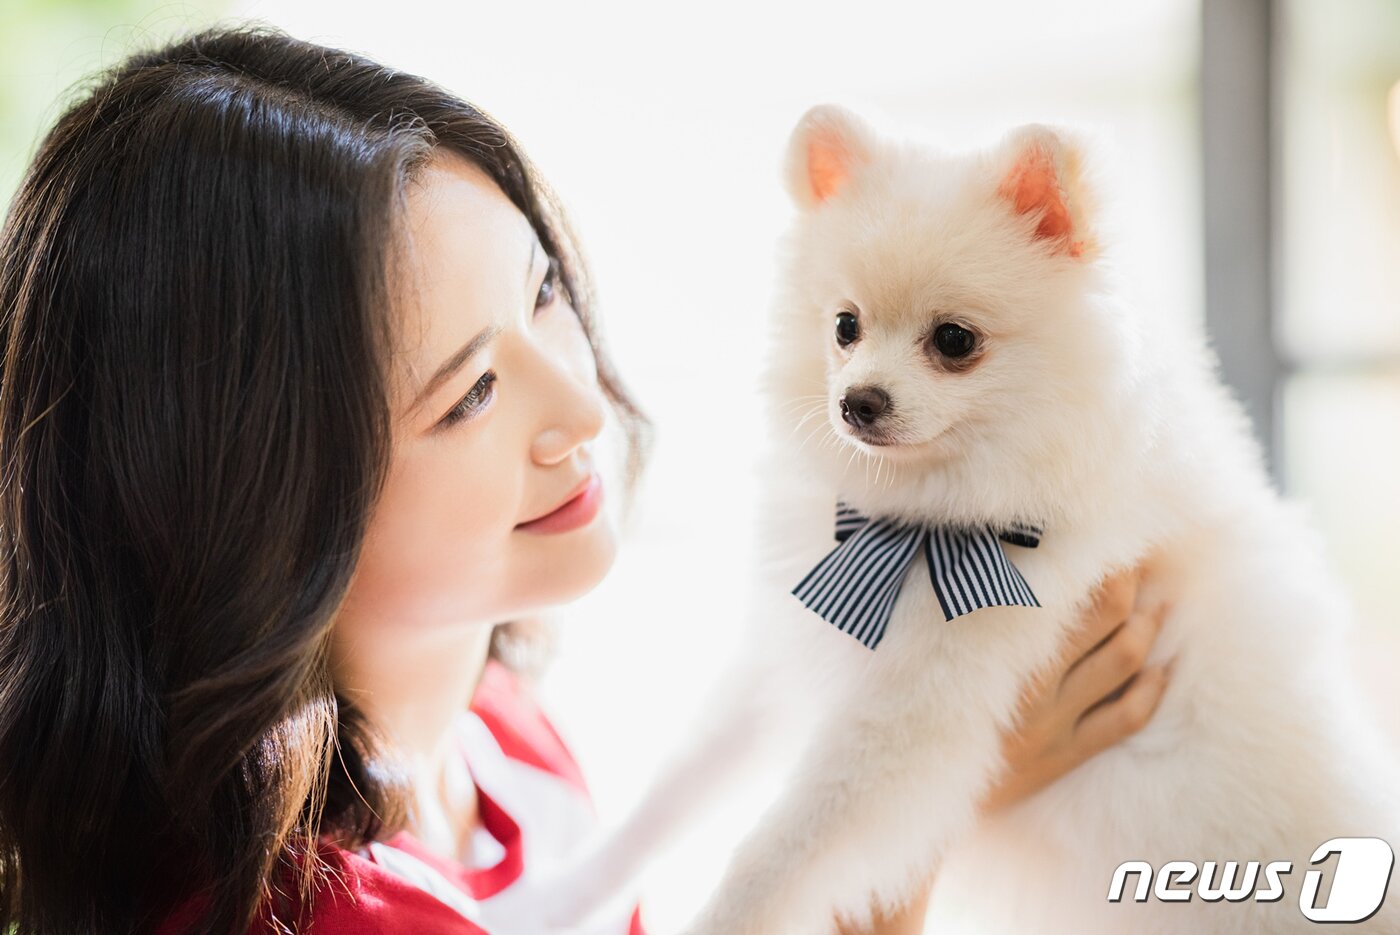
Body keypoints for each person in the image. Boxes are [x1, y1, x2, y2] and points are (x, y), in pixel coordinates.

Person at [0, 24, 1172, 935]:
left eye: (543, 293)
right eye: (468, 393)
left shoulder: (488, 733)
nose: (576, 408)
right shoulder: (337, 906)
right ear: (245, 491)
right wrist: (917, 826)